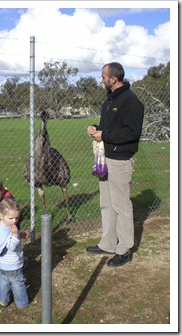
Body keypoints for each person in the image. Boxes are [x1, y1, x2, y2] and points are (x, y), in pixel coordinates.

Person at [86, 62, 144, 267]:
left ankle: (125, 249)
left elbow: (131, 132)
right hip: (105, 159)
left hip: (120, 161)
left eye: (103, 77)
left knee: (121, 206)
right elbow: (109, 128)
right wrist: (96, 128)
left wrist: (105, 134)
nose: (101, 80)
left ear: (113, 78)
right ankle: (108, 244)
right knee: (106, 204)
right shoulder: (109, 101)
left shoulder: (131, 101)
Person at [0, 198, 30, 308]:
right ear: (1, 215)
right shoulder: (8, 232)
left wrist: (20, 234)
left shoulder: (0, 225)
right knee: (18, 283)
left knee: (4, 282)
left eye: (17, 218)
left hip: (1, 264)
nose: (14, 221)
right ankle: (22, 303)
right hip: (12, 266)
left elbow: (9, 234)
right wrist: (15, 235)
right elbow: (11, 246)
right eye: (11, 218)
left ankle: (2, 299)